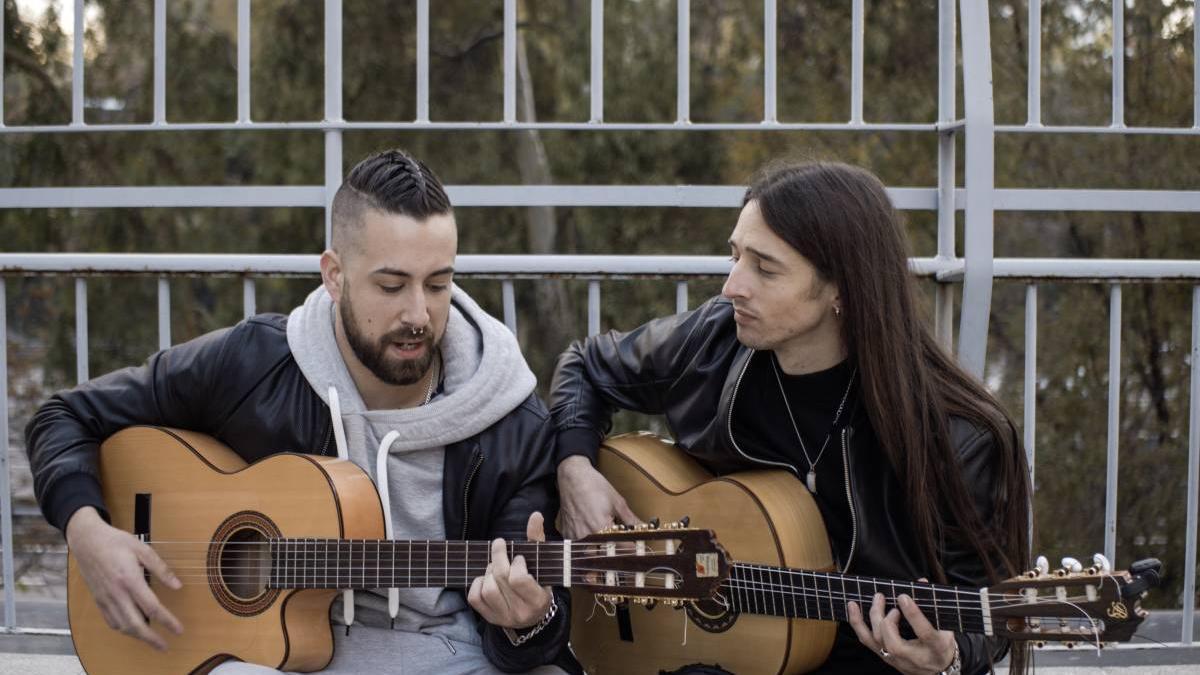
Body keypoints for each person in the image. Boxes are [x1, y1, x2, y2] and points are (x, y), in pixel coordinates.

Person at [26, 149, 574, 674]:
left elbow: (529, 633)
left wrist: (529, 621)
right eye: (391, 284)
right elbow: (63, 417)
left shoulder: (510, 422)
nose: (418, 313)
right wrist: (86, 531)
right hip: (265, 660)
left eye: (438, 284)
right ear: (334, 275)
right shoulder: (257, 364)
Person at [551, 161, 1031, 675]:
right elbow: (586, 366)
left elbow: (990, 609)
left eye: (765, 267)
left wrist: (951, 657)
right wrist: (575, 466)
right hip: (725, 656)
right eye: (735, 256)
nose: (733, 286)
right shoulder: (714, 342)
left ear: (841, 289)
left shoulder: (959, 437)